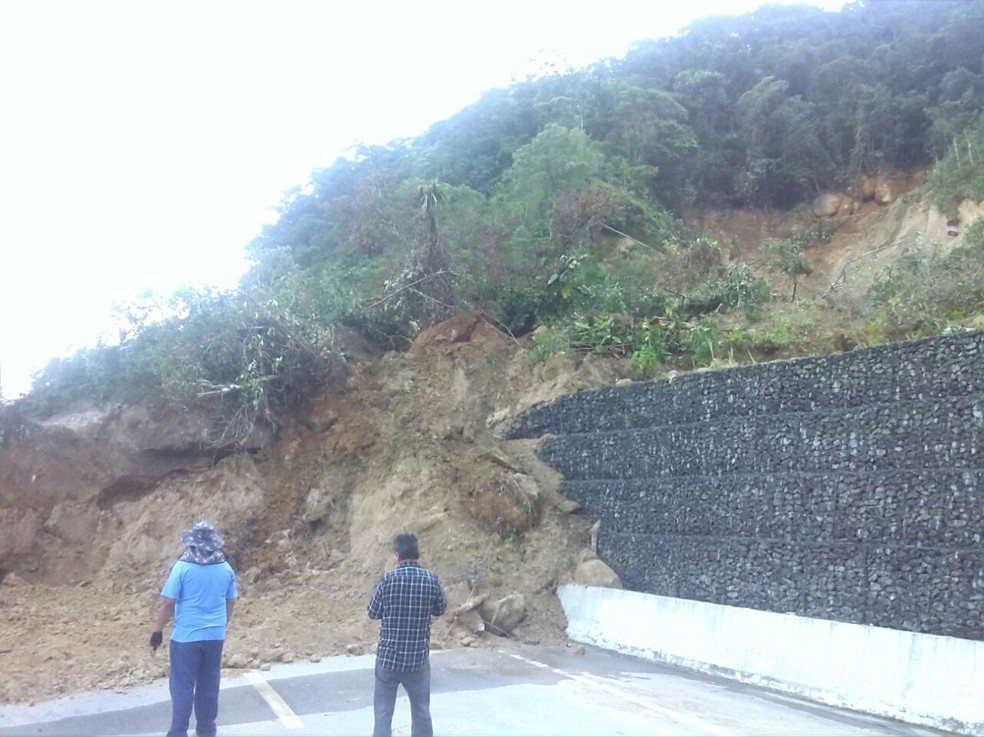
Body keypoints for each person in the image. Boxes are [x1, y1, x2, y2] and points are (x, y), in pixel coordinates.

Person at [150, 520, 238, 737]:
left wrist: (157, 631)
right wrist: (220, 625)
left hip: (186, 637)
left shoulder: (182, 568)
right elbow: (231, 601)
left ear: (192, 544)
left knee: (182, 686)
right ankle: (207, 730)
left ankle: (178, 732)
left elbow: (168, 603)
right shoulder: (225, 568)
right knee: (209, 684)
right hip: (215, 636)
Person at [368, 532, 447, 737]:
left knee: (383, 714)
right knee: (421, 712)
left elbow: (373, 611)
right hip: (417, 659)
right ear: (417, 553)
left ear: (397, 555)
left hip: (388, 659)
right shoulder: (431, 579)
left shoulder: (387, 579)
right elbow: (440, 609)